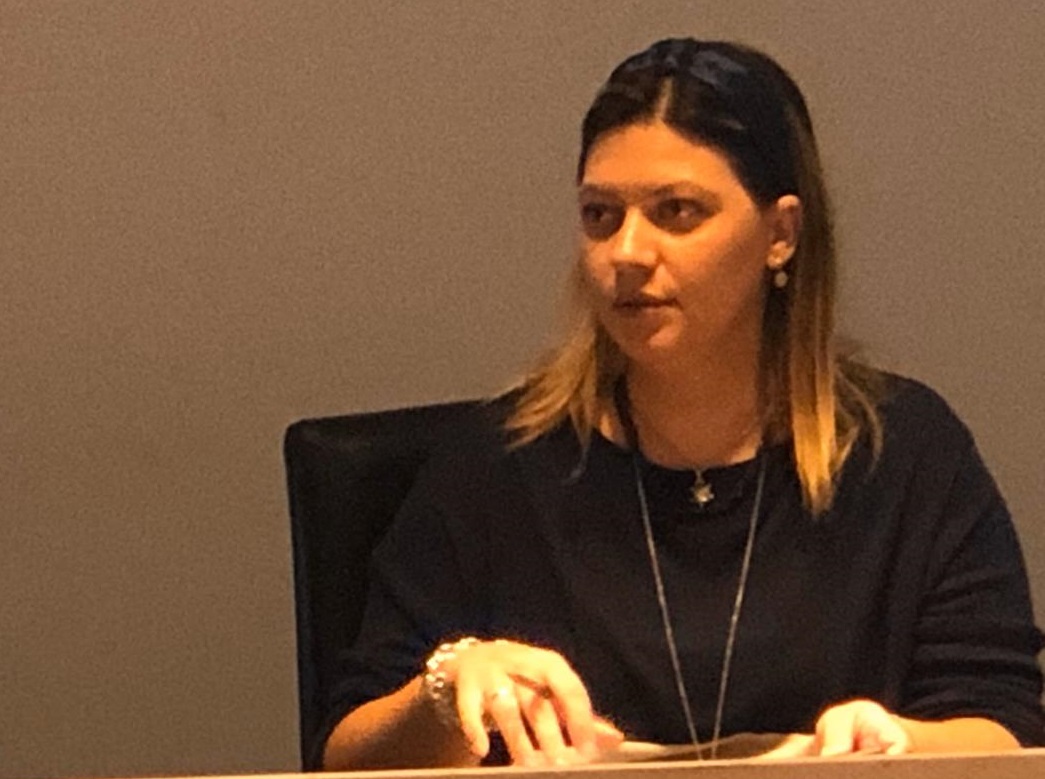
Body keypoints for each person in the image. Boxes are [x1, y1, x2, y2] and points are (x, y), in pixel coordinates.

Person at [320, 38, 1045, 769]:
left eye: (676, 212)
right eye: (600, 215)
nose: (627, 253)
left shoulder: (907, 450)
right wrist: (444, 692)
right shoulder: (498, 464)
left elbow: (1006, 723)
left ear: (780, 234)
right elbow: (345, 758)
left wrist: (899, 744)